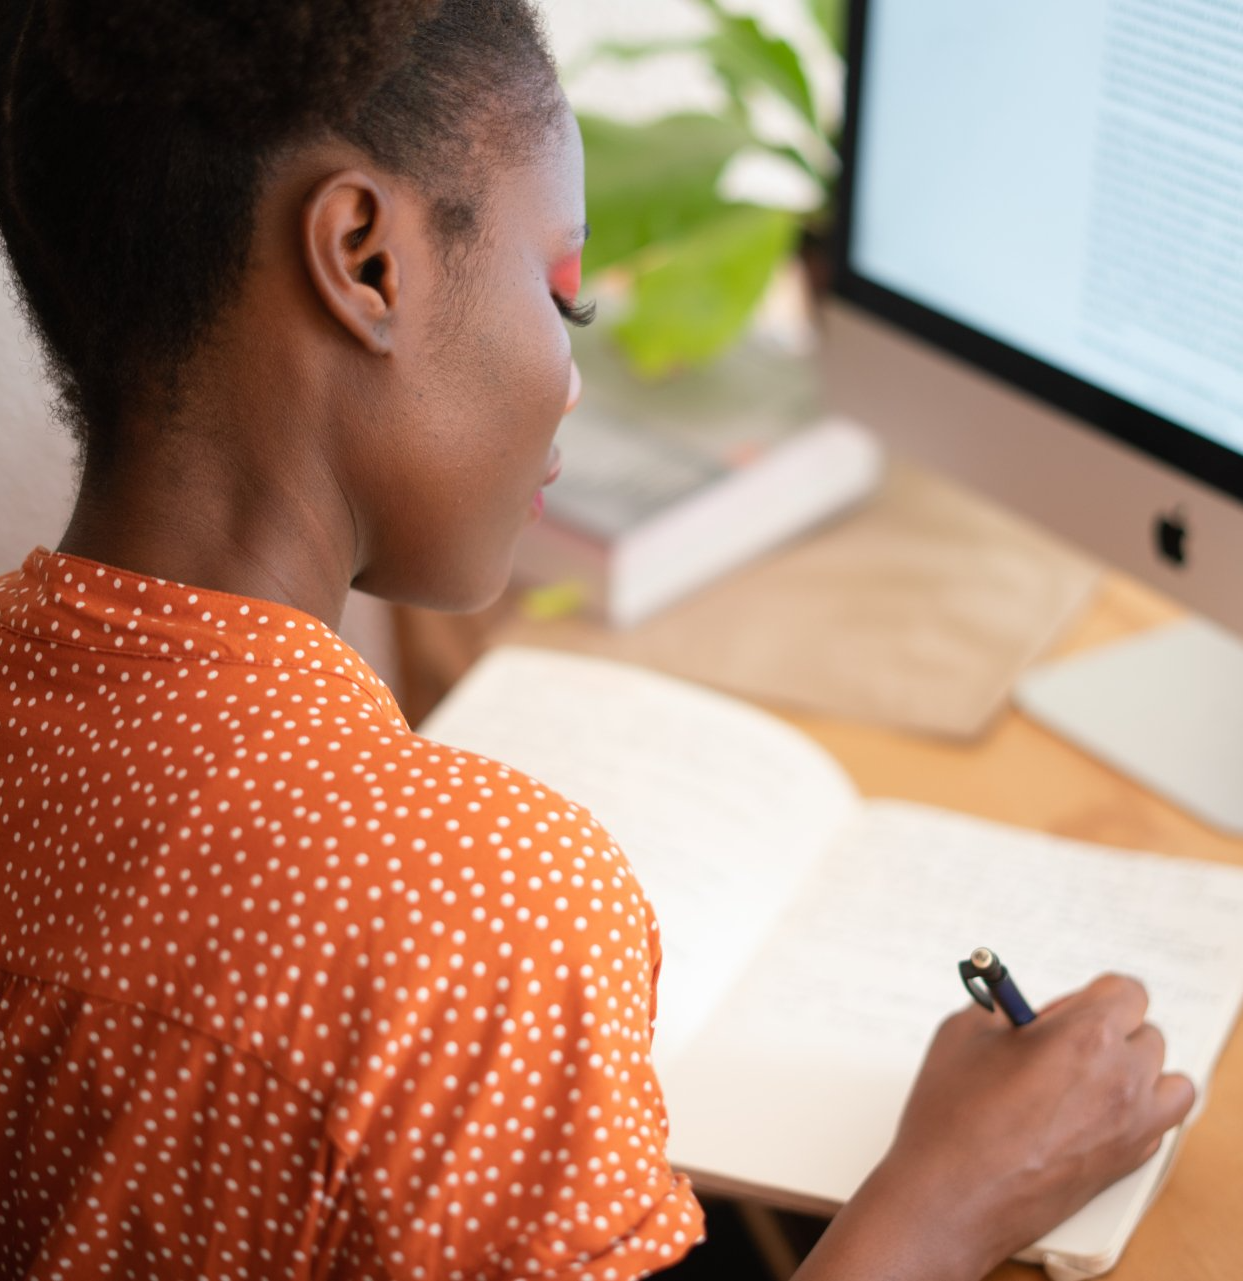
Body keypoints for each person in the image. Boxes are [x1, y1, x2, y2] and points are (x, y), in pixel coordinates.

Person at [0, 1, 1193, 1278]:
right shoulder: (472, 915)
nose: (572, 381)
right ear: (364, 258)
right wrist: (947, 1195)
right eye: (561, 296)